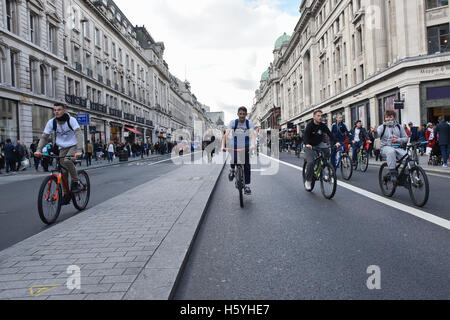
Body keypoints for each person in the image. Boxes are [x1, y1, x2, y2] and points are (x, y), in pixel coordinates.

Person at [35, 103, 83, 193]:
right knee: (63, 171)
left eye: (59, 110)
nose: (56, 112)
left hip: (74, 146)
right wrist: (38, 150)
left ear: (64, 110)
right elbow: (44, 137)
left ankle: (76, 182)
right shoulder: (52, 122)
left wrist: (79, 150)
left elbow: (79, 134)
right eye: (55, 110)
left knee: (67, 160)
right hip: (62, 147)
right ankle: (66, 193)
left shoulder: (71, 120)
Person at [222, 106, 256, 195]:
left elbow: (252, 135)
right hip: (235, 144)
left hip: (246, 145)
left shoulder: (249, 123)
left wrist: (252, 145)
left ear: (246, 114)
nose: (242, 116)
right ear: (237, 114)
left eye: (244, 114)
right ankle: (232, 169)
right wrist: (223, 146)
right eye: (240, 114)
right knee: (234, 157)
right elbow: (226, 135)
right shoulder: (233, 123)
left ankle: (247, 186)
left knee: (247, 165)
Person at [303, 110, 340, 191]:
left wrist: (336, 142)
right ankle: (308, 181)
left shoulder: (322, 125)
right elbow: (305, 136)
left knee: (327, 151)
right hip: (309, 145)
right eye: (318, 116)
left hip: (319, 144)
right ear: (314, 116)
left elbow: (330, 134)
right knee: (311, 162)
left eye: (321, 116)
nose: (320, 117)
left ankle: (325, 168)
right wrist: (307, 144)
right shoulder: (310, 125)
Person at [377, 110, 409, 184]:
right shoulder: (382, 127)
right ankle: (392, 173)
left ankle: (403, 179)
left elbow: (406, 138)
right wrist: (375, 132)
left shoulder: (399, 127)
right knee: (391, 151)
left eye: (390, 117)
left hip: (397, 148)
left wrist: (398, 140)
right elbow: (376, 135)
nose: (388, 119)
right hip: (385, 147)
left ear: (394, 118)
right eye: (387, 117)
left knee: (409, 160)